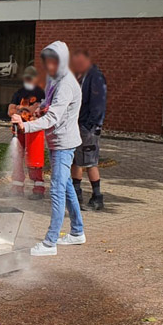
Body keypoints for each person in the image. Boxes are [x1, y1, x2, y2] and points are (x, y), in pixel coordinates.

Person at [12, 41, 84, 256]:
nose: (49, 66)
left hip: (64, 144)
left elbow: (53, 117)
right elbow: (49, 106)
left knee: (57, 190)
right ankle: (77, 231)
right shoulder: (55, 80)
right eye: (47, 62)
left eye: (54, 62)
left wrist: (27, 126)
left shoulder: (66, 84)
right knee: (67, 186)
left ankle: (50, 242)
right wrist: (37, 110)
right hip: (57, 141)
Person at [70, 50, 107, 210]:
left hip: (87, 127)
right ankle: (76, 194)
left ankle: (97, 197)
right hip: (77, 124)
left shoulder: (95, 77)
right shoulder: (79, 77)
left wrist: (91, 125)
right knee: (76, 160)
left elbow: (98, 103)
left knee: (90, 161)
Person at [8, 66, 47, 199]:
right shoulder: (19, 93)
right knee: (17, 158)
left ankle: (38, 188)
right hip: (18, 131)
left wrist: (21, 108)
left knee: (34, 160)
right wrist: (25, 109)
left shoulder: (41, 93)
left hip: (34, 131)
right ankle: (17, 187)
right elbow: (10, 111)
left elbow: (36, 109)